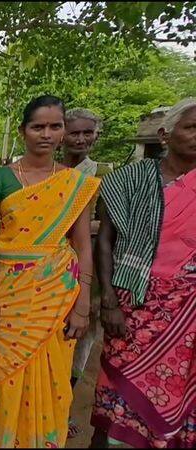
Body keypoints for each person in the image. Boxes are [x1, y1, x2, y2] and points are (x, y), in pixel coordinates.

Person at [0, 95, 100, 448]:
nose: (46, 134)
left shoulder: (75, 184)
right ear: (23, 131)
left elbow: (83, 244)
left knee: (53, 375)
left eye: (54, 126)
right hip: (8, 293)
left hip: (56, 293)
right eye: (38, 126)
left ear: (62, 131)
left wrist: (83, 302)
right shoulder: (1, 178)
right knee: (4, 374)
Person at [90, 98, 196, 448]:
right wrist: (107, 299)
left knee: (180, 396)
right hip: (134, 303)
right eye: (191, 128)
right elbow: (105, 239)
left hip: (187, 314)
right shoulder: (130, 179)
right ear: (165, 134)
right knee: (118, 388)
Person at [60, 107, 113, 438]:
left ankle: (62, 407)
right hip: (45, 274)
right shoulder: (45, 170)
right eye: (74, 132)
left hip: (87, 268)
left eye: (87, 133)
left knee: (80, 344)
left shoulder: (105, 174)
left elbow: (110, 228)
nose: (80, 139)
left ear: (96, 135)